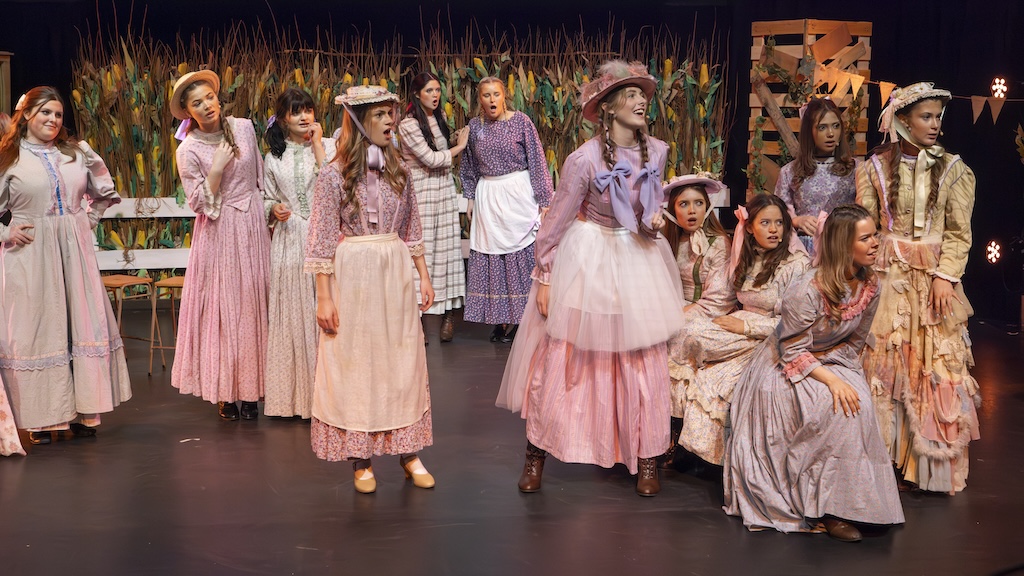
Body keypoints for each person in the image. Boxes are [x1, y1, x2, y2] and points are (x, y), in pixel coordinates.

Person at [497, 60, 684, 497]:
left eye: (643, 94)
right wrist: (545, 276)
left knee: (641, 358)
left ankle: (647, 455)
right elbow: (557, 219)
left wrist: (656, 218)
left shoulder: (657, 151)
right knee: (565, 359)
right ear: (609, 107)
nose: (641, 101)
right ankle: (537, 452)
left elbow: (650, 207)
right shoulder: (584, 159)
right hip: (592, 255)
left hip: (638, 256)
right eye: (630, 94)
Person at [724, 204, 904, 542]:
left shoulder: (871, 284)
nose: (875, 243)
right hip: (787, 362)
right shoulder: (807, 289)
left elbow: (856, 340)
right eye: (865, 238)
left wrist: (843, 375)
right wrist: (831, 380)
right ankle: (822, 508)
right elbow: (791, 349)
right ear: (843, 245)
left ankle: (851, 504)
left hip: (835, 358)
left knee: (857, 404)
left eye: (874, 235)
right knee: (829, 407)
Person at [305, 85, 435, 494]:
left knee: (402, 360)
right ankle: (361, 458)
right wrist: (324, 297)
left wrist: (423, 274)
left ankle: (408, 451)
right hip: (355, 272)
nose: (389, 121)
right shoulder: (333, 174)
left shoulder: (400, 168)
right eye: (379, 115)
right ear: (360, 122)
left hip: (393, 268)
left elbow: (412, 225)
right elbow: (321, 238)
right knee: (357, 361)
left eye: (390, 113)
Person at [857, 82, 979, 494]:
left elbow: (959, 234)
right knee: (888, 365)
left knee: (933, 364)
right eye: (926, 116)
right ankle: (883, 461)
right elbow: (864, 228)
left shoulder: (954, 169)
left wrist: (945, 277)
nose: (934, 124)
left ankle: (926, 467)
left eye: (937, 117)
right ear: (903, 121)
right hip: (887, 279)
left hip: (932, 283)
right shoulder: (874, 169)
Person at [0, 86, 131, 445]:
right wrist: (7, 231)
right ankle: (43, 419)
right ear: (27, 114)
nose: (53, 120)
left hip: (75, 255)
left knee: (79, 324)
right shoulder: (10, 158)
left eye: (58, 114)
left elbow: (103, 193)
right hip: (30, 256)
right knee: (39, 329)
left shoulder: (76, 153)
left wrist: (85, 222)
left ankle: (85, 412)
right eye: (45, 112)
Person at [673, 193, 808, 467]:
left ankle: (726, 462)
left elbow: (796, 323)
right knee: (685, 332)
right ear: (749, 228)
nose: (773, 229)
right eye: (765, 223)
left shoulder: (795, 265)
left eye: (779, 223)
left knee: (713, 379)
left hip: (769, 337)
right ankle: (673, 438)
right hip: (738, 328)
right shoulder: (749, 257)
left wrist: (746, 326)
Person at [170, 70, 271, 421]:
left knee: (254, 306)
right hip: (219, 230)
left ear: (218, 97)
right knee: (225, 311)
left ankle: (252, 391)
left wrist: (268, 214)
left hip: (252, 224)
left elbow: (259, 176)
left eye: (209, 98)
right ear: (188, 112)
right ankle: (226, 392)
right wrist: (215, 169)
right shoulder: (188, 150)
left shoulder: (243, 127)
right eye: (197, 103)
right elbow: (198, 202)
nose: (207, 106)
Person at [459, 76, 553, 343]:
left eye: (496, 94)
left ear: (504, 96)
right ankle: (502, 320)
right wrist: (470, 198)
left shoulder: (521, 122)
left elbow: (537, 160)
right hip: (489, 196)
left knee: (522, 255)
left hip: (517, 194)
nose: (492, 100)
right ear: (480, 100)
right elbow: (468, 166)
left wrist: (545, 199)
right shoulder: (475, 127)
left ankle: (527, 319)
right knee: (495, 258)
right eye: (486, 95)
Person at [262, 88, 335, 419]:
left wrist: (318, 146)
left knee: (325, 312)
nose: (305, 116)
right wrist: (273, 208)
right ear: (283, 118)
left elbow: (336, 184)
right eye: (296, 111)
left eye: (308, 109)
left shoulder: (328, 146)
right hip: (290, 240)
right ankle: (295, 400)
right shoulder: (273, 158)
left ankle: (328, 399)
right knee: (293, 316)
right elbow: (266, 196)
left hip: (323, 236)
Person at [661, 173, 733, 466]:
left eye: (698, 203)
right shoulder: (668, 242)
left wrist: (677, 316)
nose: (692, 211)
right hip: (674, 309)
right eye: (684, 204)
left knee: (679, 336)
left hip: (708, 315)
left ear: (708, 206)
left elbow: (719, 298)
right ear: (672, 209)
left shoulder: (719, 244)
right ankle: (656, 430)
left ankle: (678, 436)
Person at [399, 71, 470, 343]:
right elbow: (430, 159)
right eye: (429, 90)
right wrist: (459, 147)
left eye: (438, 90)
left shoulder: (437, 119)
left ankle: (448, 314)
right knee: (422, 251)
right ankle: (416, 319)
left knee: (447, 249)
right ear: (417, 94)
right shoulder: (408, 124)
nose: (435, 95)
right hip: (422, 191)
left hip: (442, 189)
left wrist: (453, 140)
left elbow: (439, 152)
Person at [775, 97, 857, 255]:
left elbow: (865, 213)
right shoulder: (790, 171)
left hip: (843, 247)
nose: (831, 133)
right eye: (822, 127)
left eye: (836, 126)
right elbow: (777, 214)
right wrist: (796, 221)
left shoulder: (856, 169)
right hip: (804, 250)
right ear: (809, 132)